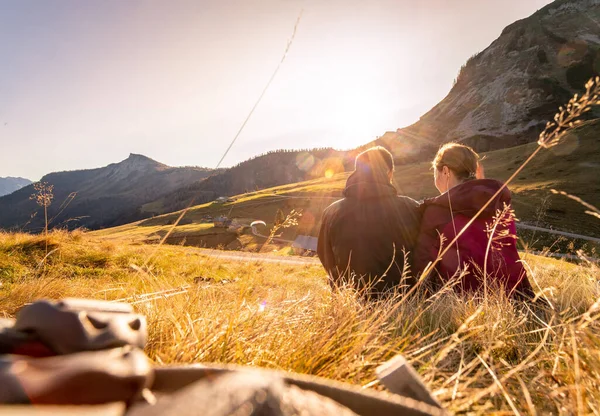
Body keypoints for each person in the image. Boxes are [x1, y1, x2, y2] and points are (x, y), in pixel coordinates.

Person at [414, 143, 534, 300]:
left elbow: (424, 261)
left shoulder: (437, 210)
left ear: (445, 171)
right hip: (513, 293)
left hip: (459, 299)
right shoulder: (497, 200)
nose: (435, 179)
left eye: (435, 173)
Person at [317, 146, 421, 299]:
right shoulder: (411, 207)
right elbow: (423, 255)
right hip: (402, 303)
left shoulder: (332, 212)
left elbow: (326, 257)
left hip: (349, 304)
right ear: (389, 173)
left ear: (357, 172)